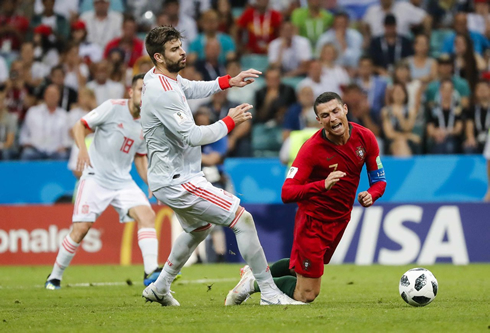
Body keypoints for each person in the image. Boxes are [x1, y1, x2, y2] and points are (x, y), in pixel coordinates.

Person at [140, 25, 302, 306]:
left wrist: (229, 81)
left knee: (198, 229)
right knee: (243, 219)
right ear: (158, 56)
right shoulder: (161, 92)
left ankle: (160, 286)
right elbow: (192, 136)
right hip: (178, 179)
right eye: (174, 49)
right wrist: (229, 121)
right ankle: (268, 292)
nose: (182, 52)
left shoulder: (163, 78)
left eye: (181, 46)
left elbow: (190, 87)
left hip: (173, 176)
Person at [226, 91, 386, 305]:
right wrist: (323, 184)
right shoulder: (311, 149)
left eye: (336, 111)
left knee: (297, 268)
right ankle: (253, 285)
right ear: (319, 121)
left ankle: (255, 275)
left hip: (340, 219)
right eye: (325, 115)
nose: (333, 118)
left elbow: (379, 180)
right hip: (313, 222)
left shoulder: (365, 138)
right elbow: (287, 192)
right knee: (307, 294)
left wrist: (371, 194)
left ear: (345, 109)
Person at [45, 74, 161, 290]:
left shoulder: (146, 122)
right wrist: (82, 150)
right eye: (139, 90)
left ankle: (150, 272)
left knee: (147, 215)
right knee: (81, 229)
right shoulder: (112, 107)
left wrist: (149, 182)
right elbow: (80, 126)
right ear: (130, 92)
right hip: (95, 178)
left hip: (122, 181)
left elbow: (140, 157)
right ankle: (54, 277)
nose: (143, 95)